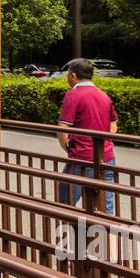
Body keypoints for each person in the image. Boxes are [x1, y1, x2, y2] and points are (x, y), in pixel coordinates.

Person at [57, 58, 118, 216]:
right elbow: (113, 125)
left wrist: (68, 147)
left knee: (65, 203)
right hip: (107, 157)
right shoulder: (103, 95)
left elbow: (63, 127)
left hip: (82, 157)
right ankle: (107, 238)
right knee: (106, 208)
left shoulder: (73, 95)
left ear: (73, 76)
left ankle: (71, 237)